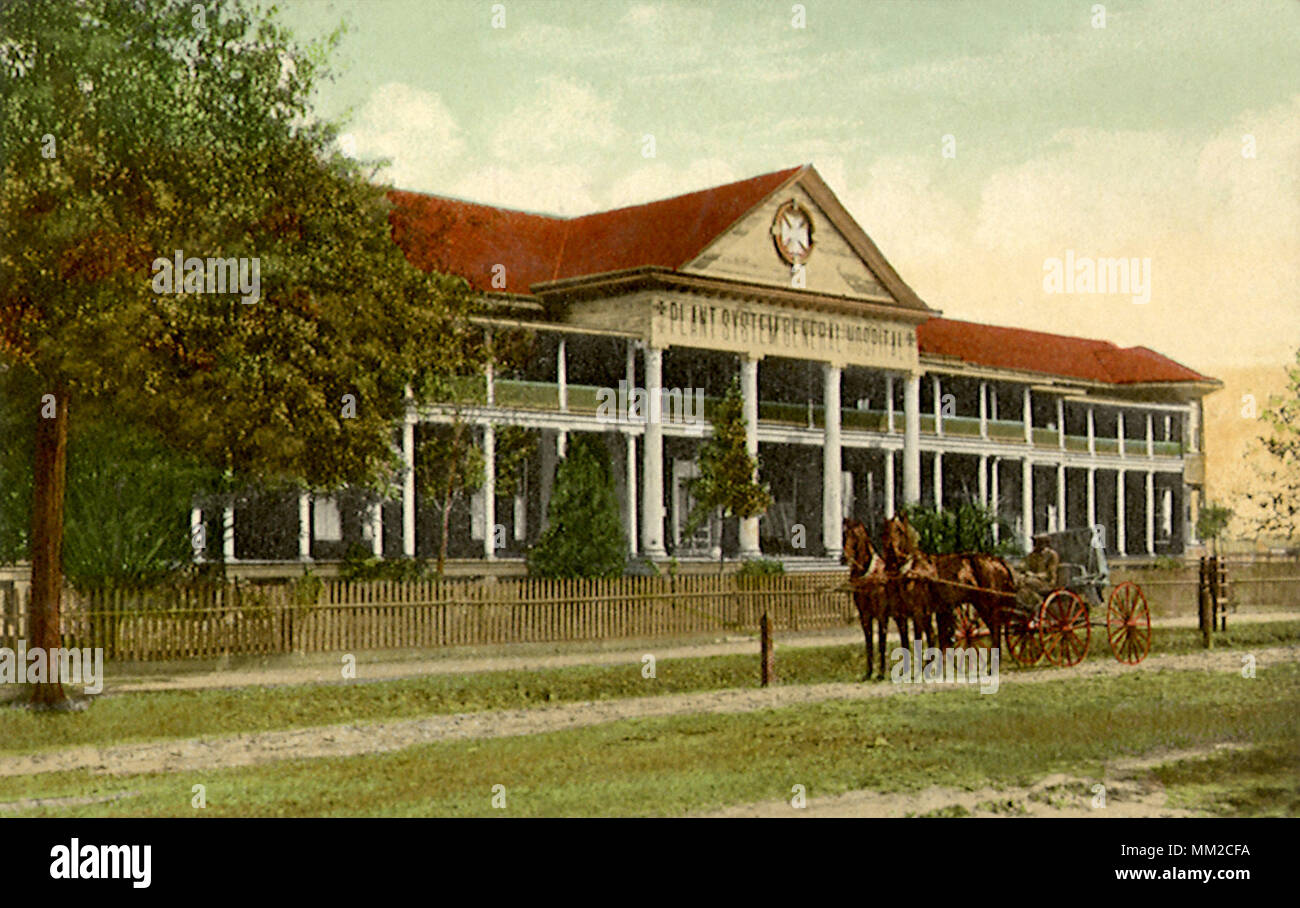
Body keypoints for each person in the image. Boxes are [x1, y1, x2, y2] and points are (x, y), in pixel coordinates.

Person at [1015, 534, 1060, 611]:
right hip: (1033, 580)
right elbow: (1023, 565)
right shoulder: (1032, 555)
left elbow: (1049, 574)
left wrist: (1035, 575)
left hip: (1046, 582)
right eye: (1035, 542)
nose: (1035, 544)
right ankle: (1022, 603)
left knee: (1028, 582)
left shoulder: (1051, 555)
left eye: (1037, 542)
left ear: (1044, 543)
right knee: (1018, 581)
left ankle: (1034, 603)